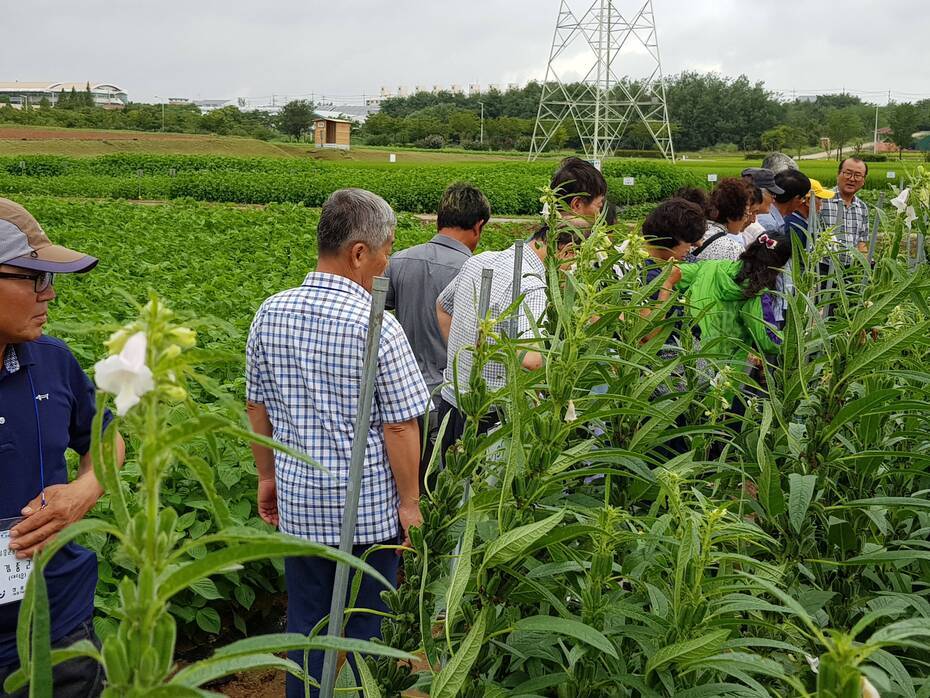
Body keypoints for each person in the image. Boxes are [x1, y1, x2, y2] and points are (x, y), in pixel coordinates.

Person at [245, 189, 429, 698]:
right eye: (387, 248)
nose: (387, 259)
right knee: (369, 627)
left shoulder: (271, 311)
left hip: (300, 501)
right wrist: (410, 504)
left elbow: (255, 406)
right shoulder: (376, 325)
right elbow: (399, 426)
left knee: (306, 622)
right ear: (359, 252)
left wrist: (266, 477)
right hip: (367, 511)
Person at [0, 198, 125, 698]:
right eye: (35, 278)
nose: (49, 295)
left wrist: (83, 491)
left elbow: (107, 439)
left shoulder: (51, 361)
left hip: (59, 627)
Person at [385, 183, 491, 479]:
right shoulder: (476, 272)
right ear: (478, 226)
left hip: (401, 394)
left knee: (405, 486)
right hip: (448, 400)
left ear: (439, 219)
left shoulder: (400, 260)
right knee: (444, 487)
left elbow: (382, 315)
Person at [676, 232, 791, 362]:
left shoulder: (713, 266)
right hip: (723, 364)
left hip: (686, 348)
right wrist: (797, 339)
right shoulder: (757, 293)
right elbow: (768, 340)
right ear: (779, 267)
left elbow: (673, 274)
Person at [820, 157, 870, 260]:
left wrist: (865, 266)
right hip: (822, 268)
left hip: (850, 271)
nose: (852, 179)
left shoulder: (862, 207)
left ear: (863, 180)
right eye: (848, 173)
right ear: (838, 174)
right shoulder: (822, 201)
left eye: (858, 175)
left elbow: (862, 242)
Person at [692, 179, 753, 261]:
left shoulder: (690, 233)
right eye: (745, 214)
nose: (746, 220)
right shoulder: (733, 249)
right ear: (731, 217)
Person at [783, 178, 836, 251]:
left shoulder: (800, 221)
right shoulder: (795, 225)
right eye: (820, 199)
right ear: (808, 201)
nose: (821, 203)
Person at [755, 169, 812, 233]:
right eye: (803, 198)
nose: (803, 202)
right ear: (796, 198)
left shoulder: (770, 216)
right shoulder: (769, 225)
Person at [740, 167, 785, 246]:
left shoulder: (753, 220)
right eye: (772, 194)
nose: (773, 200)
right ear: (757, 193)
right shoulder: (761, 224)